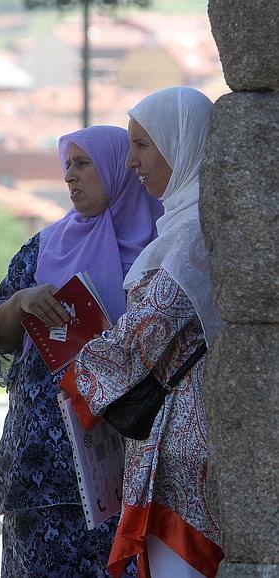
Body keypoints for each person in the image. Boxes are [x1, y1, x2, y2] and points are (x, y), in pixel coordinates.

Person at [0, 125, 163, 577]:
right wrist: (21, 302)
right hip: (40, 474)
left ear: (117, 169)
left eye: (83, 164)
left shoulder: (157, 252)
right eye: (66, 166)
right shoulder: (43, 248)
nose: (70, 178)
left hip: (122, 470)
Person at [60, 87, 224, 578]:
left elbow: (146, 332)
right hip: (177, 439)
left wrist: (77, 378)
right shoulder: (181, 222)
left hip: (184, 454)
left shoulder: (193, 229)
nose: (131, 160)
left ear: (181, 144)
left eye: (143, 145)